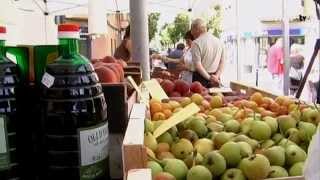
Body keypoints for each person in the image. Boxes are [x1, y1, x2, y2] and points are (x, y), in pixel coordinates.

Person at [190, 18, 225, 88]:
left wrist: (210, 78)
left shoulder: (196, 43)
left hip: (200, 80)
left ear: (197, 29)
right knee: (216, 98)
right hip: (216, 79)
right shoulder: (220, 42)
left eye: (192, 29)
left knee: (199, 99)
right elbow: (222, 62)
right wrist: (216, 77)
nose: (191, 33)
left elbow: (198, 65)